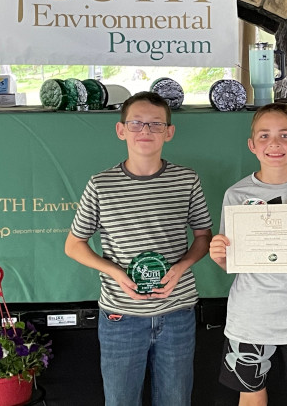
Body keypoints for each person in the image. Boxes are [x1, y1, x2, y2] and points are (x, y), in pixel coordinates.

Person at [64, 91, 213, 406]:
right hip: (121, 316)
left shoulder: (187, 180)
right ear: (121, 131)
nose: (145, 131)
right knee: (120, 401)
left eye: (155, 124)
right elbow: (74, 246)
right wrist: (115, 272)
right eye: (137, 123)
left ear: (169, 132)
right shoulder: (100, 184)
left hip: (177, 312)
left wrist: (180, 268)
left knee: (176, 401)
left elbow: (203, 237)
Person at [209, 103, 287, 406]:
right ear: (252, 145)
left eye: (285, 135)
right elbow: (231, 260)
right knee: (252, 399)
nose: (275, 143)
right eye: (265, 136)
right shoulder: (236, 195)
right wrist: (219, 255)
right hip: (249, 318)